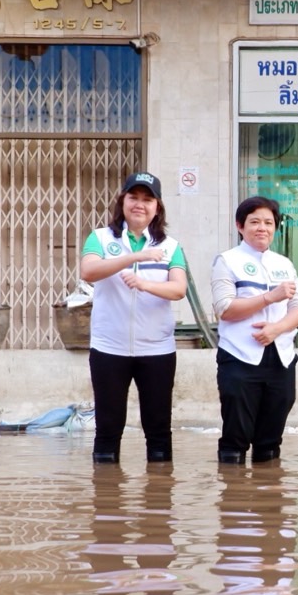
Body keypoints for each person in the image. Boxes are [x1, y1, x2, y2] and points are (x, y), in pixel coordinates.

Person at [79, 171, 189, 464]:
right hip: (109, 348)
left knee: (158, 429)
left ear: (158, 207)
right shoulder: (101, 238)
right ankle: (106, 503)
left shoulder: (171, 246)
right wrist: (134, 257)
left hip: (156, 349)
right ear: (122, 201)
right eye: (134, 197)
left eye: (147, 199)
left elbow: (178, 289)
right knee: (108, 427)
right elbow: (88, 271)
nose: (140, 204)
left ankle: (158, 502)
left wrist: (146, 284)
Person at [211, 196, 298, 464]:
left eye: (268, 222)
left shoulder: (284, 264)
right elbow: (225, 309)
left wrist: (277, 329)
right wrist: (269, 297)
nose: (262, 228)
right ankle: (234, 497)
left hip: (281, 359)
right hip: (239, 358)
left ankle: (269, 500)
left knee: (270, 441)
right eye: (254, 222)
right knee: (235, 439)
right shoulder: (227, 260)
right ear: (239, 226)